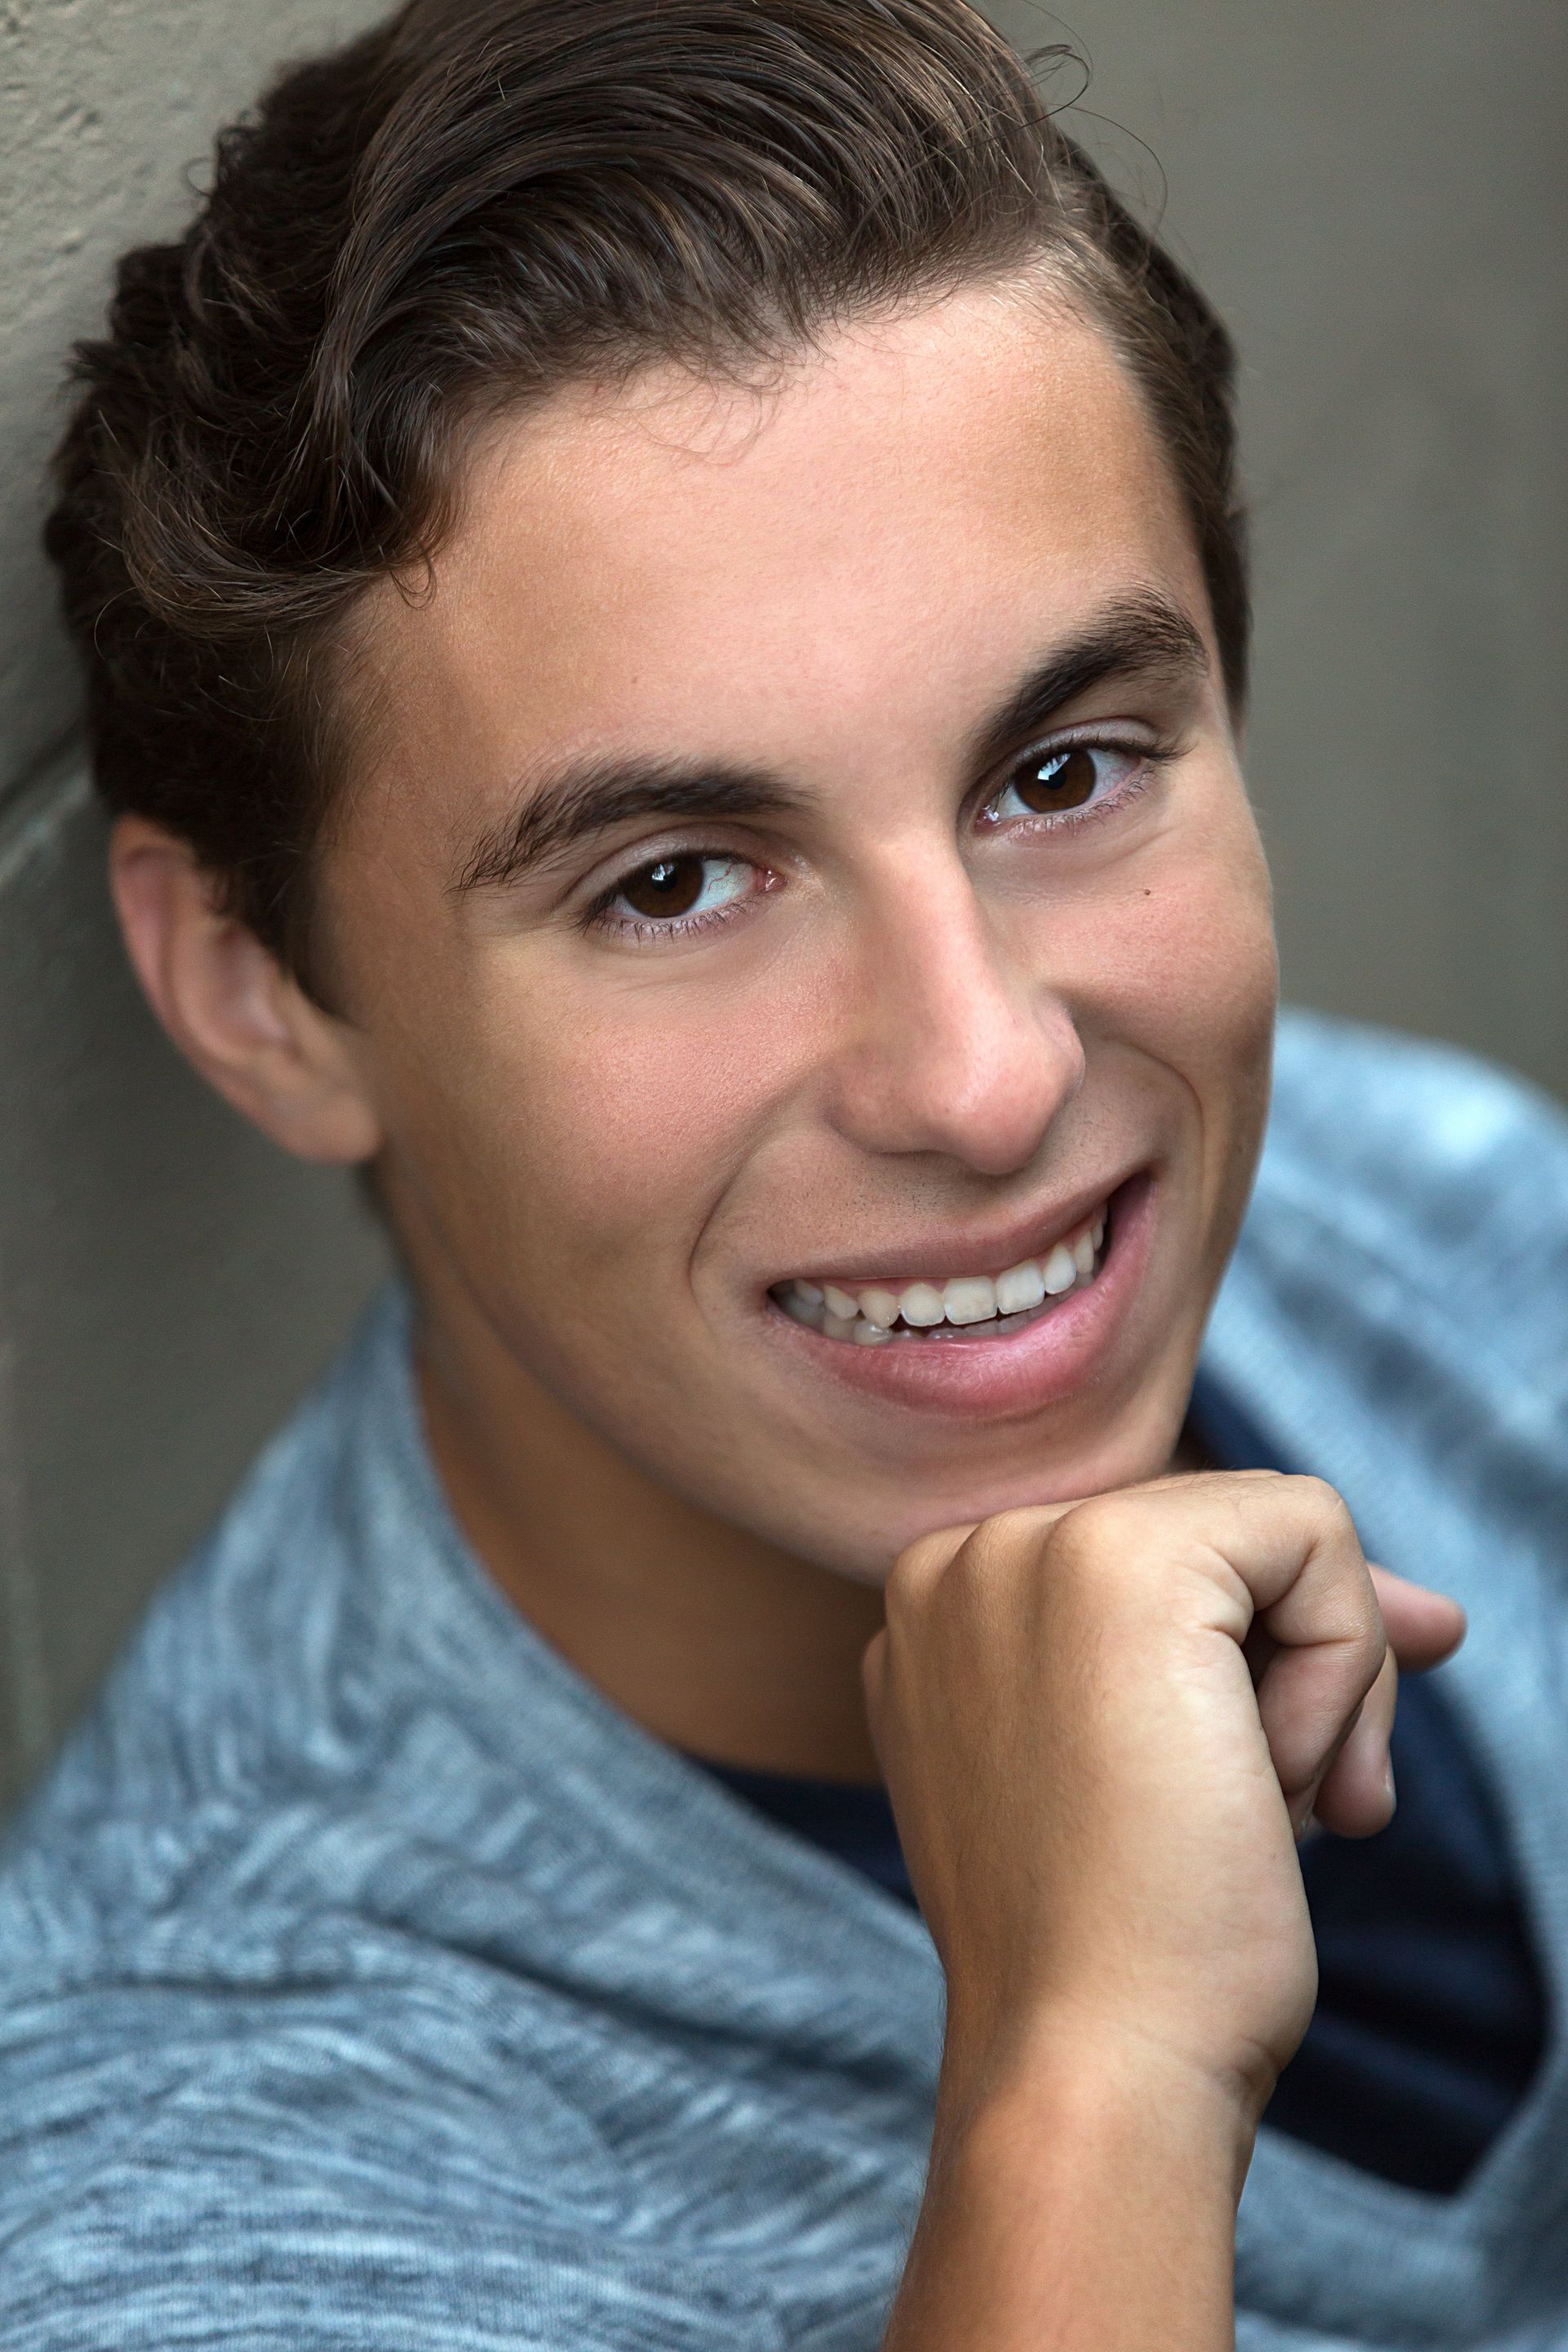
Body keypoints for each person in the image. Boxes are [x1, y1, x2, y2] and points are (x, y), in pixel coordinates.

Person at [2, 0, 1563, 2343]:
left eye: (1061, 774)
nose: (988, 1076)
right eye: (673, 883)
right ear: (257, 990)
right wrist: (1092, 2089)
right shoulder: (210, 2186)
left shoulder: (1420, 1218)